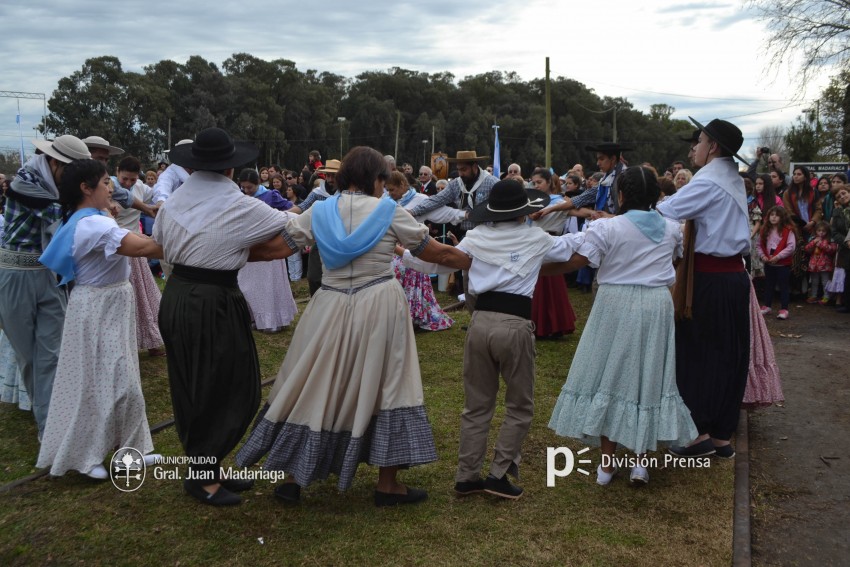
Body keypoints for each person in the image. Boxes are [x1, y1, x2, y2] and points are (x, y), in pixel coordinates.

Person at [236, 146, 470, 507]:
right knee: (389, 384)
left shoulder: (319, 211)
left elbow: (273, 250)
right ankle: (387, 484)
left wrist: (218, 254)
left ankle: (293, 478)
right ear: (376, 179)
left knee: (312, 380)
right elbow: (434, 252)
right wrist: (476, 259)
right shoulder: (390, 211)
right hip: (380, 301)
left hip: (328, 301)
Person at [401, 180, 585, 499]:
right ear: (522, 212)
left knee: (476, 404)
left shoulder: (476, 236)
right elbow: (571, 248)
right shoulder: (535, 237)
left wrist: (405, 254)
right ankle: (498, 474)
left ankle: (467, 475)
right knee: (519, 404)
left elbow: (445, 259)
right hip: (514, 324)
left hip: (479, 323)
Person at [153, 128, 294, 506]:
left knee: (194, 384)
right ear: (231, 168)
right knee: (231, 387)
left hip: (179, 294)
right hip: (211, 299)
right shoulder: (239, 205)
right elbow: (287, 225)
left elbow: (163, 243)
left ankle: (207, 467)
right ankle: (202, 475)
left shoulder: (176, 199)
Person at [548, 167, 698, 486]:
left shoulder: (608, 227)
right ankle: (640, 463)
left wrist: (537, 271)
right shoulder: (672, 228)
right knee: (649, 375)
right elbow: (675, 260)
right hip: (656, 304)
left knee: (610, 375)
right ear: (655, 196)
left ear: (620, 195)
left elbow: (578, 260)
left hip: (615, 302)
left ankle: (606, 465)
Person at [36, 159, 163, 479]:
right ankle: (84, 454)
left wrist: (110, 213)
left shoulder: (88, 217)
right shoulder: (94, 224)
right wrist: (188, 236)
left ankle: (132, 447)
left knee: (124, 377)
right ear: (86, 188)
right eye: (106, 182)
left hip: (104, 301)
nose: (112, 188)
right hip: (99, 303)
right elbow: (144, 247)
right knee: (105, 380)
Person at [657, 117, 751, 459]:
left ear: (712, 147)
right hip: (733, 277)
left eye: (698, 141)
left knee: (699, 352)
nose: (693, 147)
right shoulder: (730, 177)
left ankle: (698, 434)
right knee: (729, 354)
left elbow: (665, 210)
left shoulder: (709, 180)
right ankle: (721, 434)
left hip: (711, 278)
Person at [0, 135, 90, 439]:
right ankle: (49, 424)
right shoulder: (25, 180)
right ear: (55, 162)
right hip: (15, 277)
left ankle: (53, 429)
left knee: (51, 355)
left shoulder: (57, 186)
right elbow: (59, 214)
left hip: (49, 275)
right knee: (29, 357)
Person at [385, 170, 463, 331]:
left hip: (414, 248)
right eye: (387, 189)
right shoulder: (386, 201)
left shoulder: (420, 199)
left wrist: (463, 215)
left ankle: (416, 316)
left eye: (392, 189)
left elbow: (441, 213)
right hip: (393, 250)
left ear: (402, 185)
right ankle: (397, 318)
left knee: (414, 279)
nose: (390, 193)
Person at [112, 156, 166, 357]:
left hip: (137, 249)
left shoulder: (142, 189)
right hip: (116, 247)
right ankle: (125, 345)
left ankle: (152, 340)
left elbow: (160, 195)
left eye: (132, 180)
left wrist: (161, 202)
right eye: (124, 178)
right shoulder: (107, 185)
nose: (127, 183)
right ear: (117, 171)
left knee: (144, 297)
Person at [235, 169, 298, 333]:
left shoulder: (271, 195)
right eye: (244, 188)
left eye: (250, 187)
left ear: (257, 183)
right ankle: (254, 316)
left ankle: (273, 320)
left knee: (268, 285)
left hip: (269, 247)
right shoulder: (241, 198)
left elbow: (293, 208)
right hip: (250, 245)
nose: (247, 191)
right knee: (248, 285)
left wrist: (275, 219)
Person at [529, 168, 576, 339]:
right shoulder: (531, 202)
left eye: (539, 182)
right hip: (534, 245)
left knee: (551, 284)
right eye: (534, 183)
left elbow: (575, 211)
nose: (536, 185)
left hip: (551, 243)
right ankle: (538, 324)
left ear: (549, 182)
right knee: (537, 286)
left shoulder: (560, 201)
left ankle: (555, 325)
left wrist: (593, 214)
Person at [289, 159, 341, 295]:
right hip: (321, 241)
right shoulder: (318, 193)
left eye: (334, 175)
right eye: (328, 175)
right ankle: (317, 303)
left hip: (341, 241)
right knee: (313, 277)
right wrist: (282, 214)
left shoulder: (346, 193)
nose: (330, 179)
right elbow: (302, 207)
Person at [758, 206, 798, 319]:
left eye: (777, 215)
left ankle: (784, 309)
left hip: (782, 264)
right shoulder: (764, 230)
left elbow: (791, 247)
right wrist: (762, 256)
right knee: (769, 285)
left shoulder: (788, 230)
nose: (774, 217)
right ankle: (767, 306)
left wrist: (778, 256)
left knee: (783, 286)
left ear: (782, 217)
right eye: (772, 215)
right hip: (769, 264)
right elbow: (759, 245)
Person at [804, 221, 838, 303]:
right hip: (814, 264)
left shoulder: (830, 240)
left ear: (827, 231)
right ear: (816, 231)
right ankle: (813, 295)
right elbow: (807, 248)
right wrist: (814, 242)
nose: (821, 233)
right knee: (814, 281)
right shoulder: (813, 238)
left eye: (823, 231)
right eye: (819, 231)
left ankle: (826, 296)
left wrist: (821, 244)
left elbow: (832, 250)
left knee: (825, 282)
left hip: (825, 265)